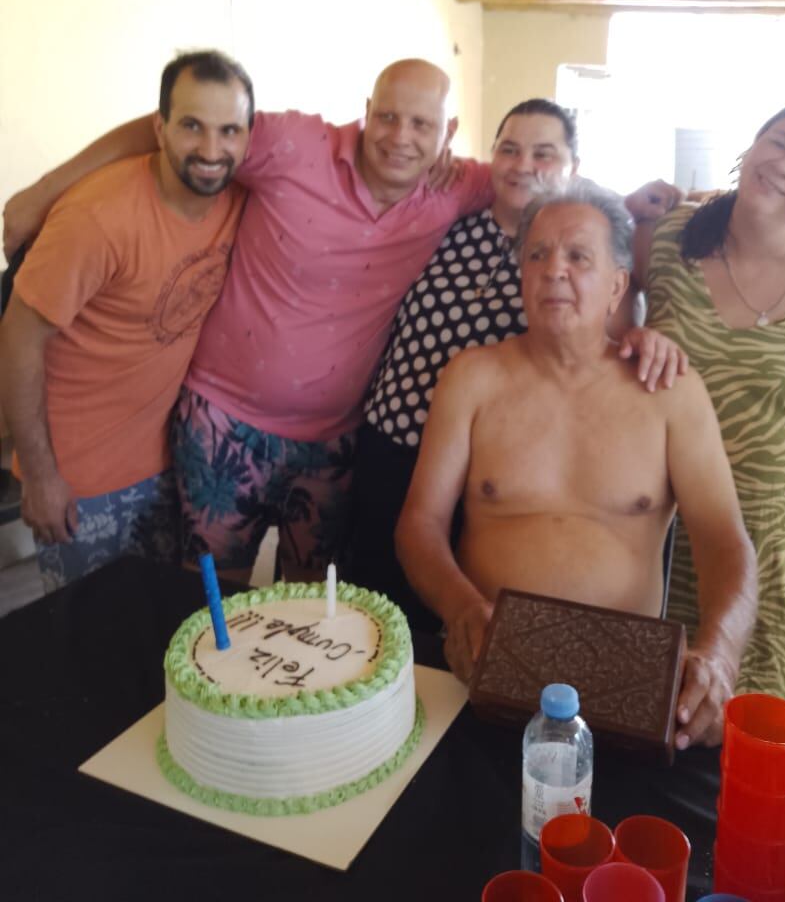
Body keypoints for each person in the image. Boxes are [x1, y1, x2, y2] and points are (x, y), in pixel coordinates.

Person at [3, 61, 678, 585]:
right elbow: (190, 126)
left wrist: (627, 203)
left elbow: (541, 186)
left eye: (421, 125)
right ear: (366, 113)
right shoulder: (296, 145)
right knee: (207, 595)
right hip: (223, 424)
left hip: (337, 443)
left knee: (312, 602)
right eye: (387, 117)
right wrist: (44, 190)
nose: (400, 138)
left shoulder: (454, 187)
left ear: (447, 135)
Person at [395, 179, 757, 749]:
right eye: (536, 254)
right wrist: (460, 607)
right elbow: (419, 525)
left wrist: (719, 653)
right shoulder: (472, 377)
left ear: (618, 285)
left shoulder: (668, 390)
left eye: (578, 256)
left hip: (625, 685)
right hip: (484, 667)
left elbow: (724, 541)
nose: (553, 269)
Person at [353, 99, 687, 628]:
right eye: (509, 149)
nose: (523, 164)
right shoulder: (450, 224)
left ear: (574, 167)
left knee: (455, 619)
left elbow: (614, 341)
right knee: (377, 622)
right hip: (392, 446)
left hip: (490, 469)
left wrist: (648, 337)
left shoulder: (570, 254)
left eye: (543, 153)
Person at [633, 95, 785, 708]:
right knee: (668, 702)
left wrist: (775, 433)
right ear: (753, 145)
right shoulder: (667, 236)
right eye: (780, 142)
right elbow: (606, 317)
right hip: (680, 525)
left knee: (762, 726)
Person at [0, 50, 252, 590]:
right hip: (79, 480)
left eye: (229, 130)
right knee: (88, 645)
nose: (211, 149)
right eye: (191, 126)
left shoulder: (238, 193)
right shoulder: (97, 217)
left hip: (168, 465)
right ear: (158, 129)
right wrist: (40, 477)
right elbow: (18, 337)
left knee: (158, 636)